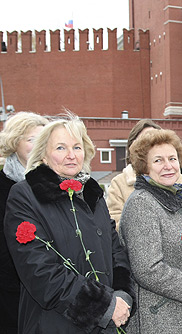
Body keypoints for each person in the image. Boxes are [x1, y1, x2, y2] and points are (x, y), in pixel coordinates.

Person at [3, 114, 135, 333]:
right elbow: (39, 270)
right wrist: (103, 306)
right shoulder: (26, 195)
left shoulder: (93, 193)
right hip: (54, 324)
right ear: (43, 155)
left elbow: (115, 250)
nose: (71, 155)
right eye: (61, 148)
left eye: (77, 147)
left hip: (105, 323)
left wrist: (122, 294)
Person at [119, 129, 182, 333]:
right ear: (144, 167)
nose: (168, 166)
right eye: (158, 160)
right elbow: (147, 269)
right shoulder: (142, 204)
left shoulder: (170, 198)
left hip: (176, 314)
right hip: (158, 319)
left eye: (172, 158)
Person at [0, 112, 48, 334]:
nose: (38, 145)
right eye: (31, 139)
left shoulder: (53, 185)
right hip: (8, 291)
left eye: (43, 140)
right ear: (13, 141)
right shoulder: (3, 185)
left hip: (48, 288)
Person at [106, 119, 182, 231]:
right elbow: (115, 222)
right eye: (143, 141)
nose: (149, 144)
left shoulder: (178, 180)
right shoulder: (120, 183)